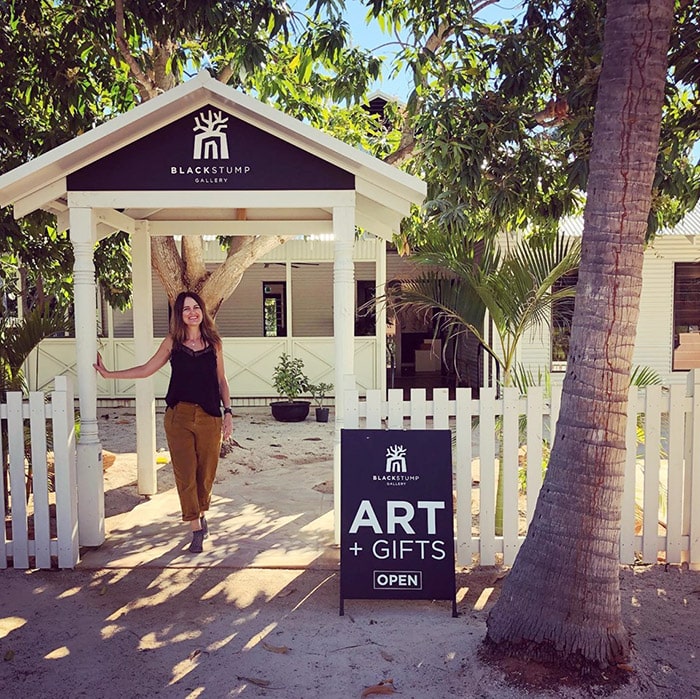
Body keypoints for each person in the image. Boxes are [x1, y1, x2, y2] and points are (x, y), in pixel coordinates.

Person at [94, 291, 233, 553]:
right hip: (178, 416)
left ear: (202, 311)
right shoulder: (173, 342)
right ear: (179, 316)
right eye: (185, 309)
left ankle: (201, 512)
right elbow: (147, 369)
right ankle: (195, 527)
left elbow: (221, 380)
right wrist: (109, 374)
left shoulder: (214, 342)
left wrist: (228, 412)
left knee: (206, 475)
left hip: (210, 417)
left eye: (195, 307)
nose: (192, 312)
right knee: (185, 473)